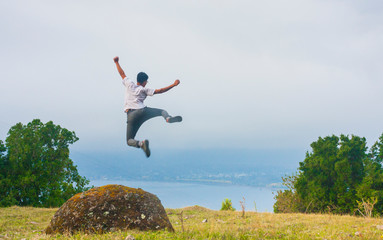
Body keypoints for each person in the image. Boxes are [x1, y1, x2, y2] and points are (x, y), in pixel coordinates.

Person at [113, 56, 182, 157]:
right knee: (161, 111)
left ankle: (141, 144)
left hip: (131, 116)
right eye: (146, 81)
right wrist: (173, 84)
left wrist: (116, 62)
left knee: (129, 140)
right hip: (142, 111)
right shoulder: (144, 89)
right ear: (144, 81)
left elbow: (122, 73)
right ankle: (168, 118)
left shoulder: (129, 84)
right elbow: (160, 91)